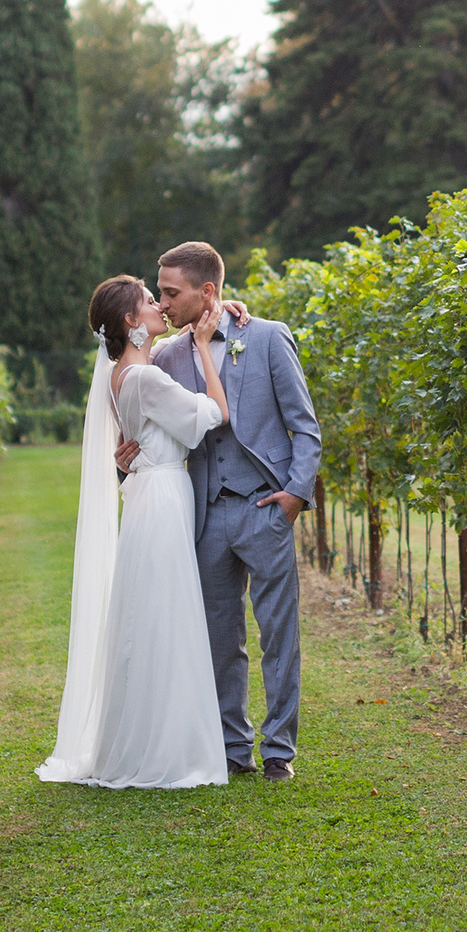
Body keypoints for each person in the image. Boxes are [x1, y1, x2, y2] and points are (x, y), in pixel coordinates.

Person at [35, 276, 231, 790]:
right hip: (163, 498)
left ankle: (144, 737)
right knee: (166, 618)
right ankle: (165, 749)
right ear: (129, 321)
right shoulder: (143, 378)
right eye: (150, 301)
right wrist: (208, 352)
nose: (160, 307)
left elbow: (161, 354)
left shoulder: (125, 372)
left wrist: (216, 310)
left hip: (148, 495)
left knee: (150, 617)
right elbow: (210, 415)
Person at [144, 241, 322, 781]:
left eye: (172, 293)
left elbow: (305, 425)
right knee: (220, 637)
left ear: (209, 292)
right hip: (203, 513)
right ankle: (231, 744)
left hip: (266, 507)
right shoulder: (168, 355)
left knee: (278, 634)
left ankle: (280, 751)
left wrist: (294, 495)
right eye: (160, 293)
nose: (164, 302)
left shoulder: (266, 337)